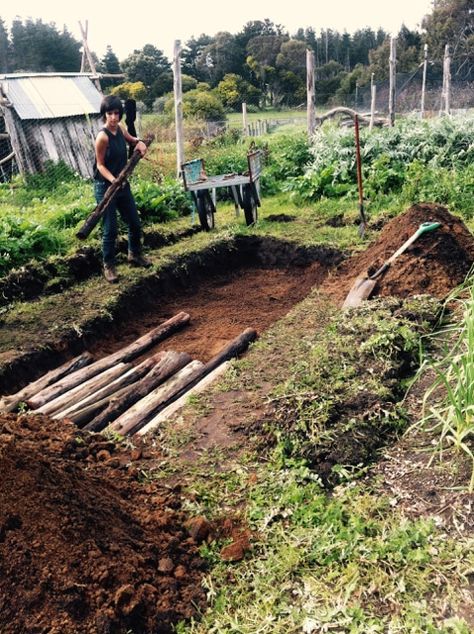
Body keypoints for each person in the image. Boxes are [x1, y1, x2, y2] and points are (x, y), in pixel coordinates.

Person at [94, 94, 151, 283]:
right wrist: (113, 180)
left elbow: (131, 139)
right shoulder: (102, 137)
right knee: (110, 229)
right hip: (105, 187)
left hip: (122, 185)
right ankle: (109, 266)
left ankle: (134, 254)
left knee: (134, 222)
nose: (113, 117)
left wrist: (139, 142)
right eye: (110, 113)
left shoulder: (120, 129)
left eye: (117, 113)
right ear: (104, 114)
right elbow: (100, 165)